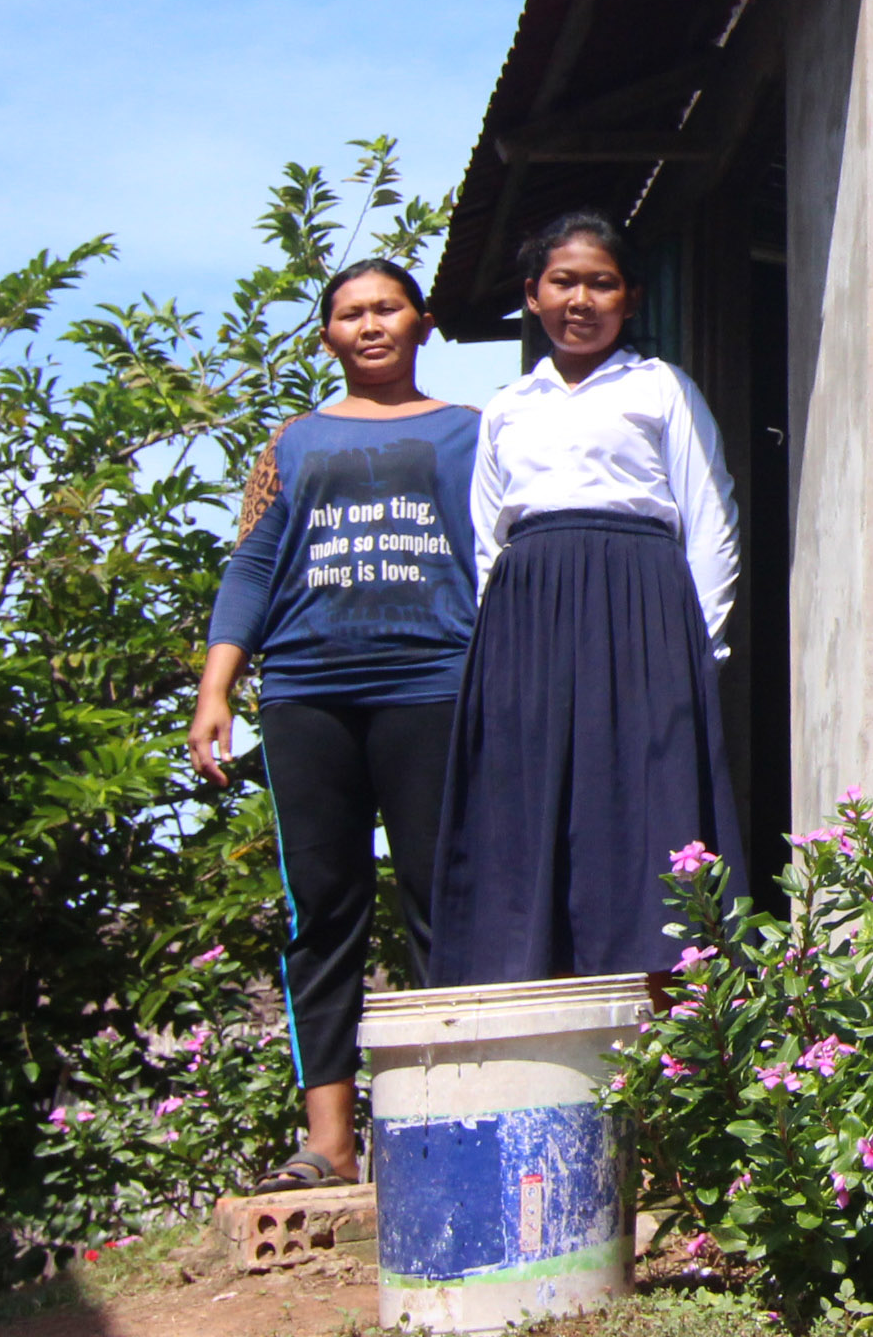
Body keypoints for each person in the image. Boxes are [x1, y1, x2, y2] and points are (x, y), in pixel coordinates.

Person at [188, 257, 481, 1193]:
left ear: (421, 323)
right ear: (327, 336)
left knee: (444, 903)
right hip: (309, 694)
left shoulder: (474, 432)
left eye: (386, 308)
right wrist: (216, 690)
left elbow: (500, 551)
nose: (369, 325)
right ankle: (329, 1143)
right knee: (323, 909)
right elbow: (251, 567)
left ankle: (448, 1128)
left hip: (435, 687)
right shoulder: (296, 443)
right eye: (350, 314)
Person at [432, 210, 748, 983]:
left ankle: (667, 996)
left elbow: (709, 516)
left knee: (645, 791)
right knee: (530, 793)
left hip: (641, 608)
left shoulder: (661, 388)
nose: (582, 300)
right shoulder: (508, 405)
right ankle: (522, 982)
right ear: (532, 298)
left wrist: (697, 649)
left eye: (601, 284)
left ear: (630, 298)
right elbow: (487, 535)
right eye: (563, 282)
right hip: (528, 614)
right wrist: (502, 643)